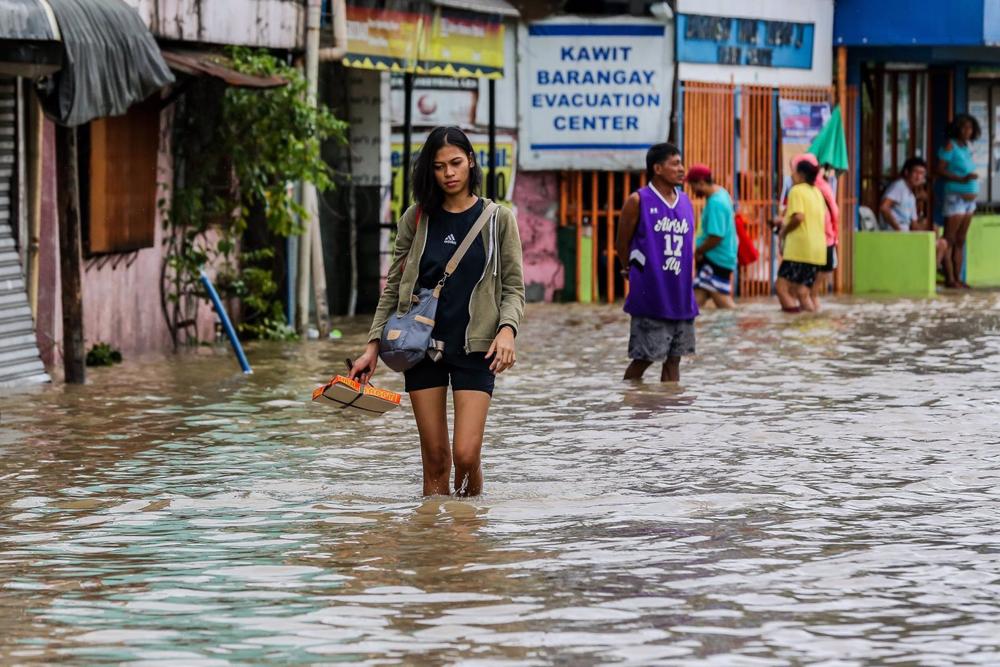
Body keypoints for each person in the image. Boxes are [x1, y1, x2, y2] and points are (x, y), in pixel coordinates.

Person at [348, 126, 525, 497]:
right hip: (420, 347)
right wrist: (372, 346)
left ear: (471, 162)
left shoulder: (499, 219)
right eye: (439, 166)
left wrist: (507, 329)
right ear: (429, 170)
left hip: (476, 348)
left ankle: (469, 527)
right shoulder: (417, 218)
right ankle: (434, 546)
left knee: (464, 454)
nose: (449, 173)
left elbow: (513, 287)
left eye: (456, 163)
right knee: (435, 458)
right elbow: (393, 287)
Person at [615, 143, 698, 382]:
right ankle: (631, 403)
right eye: (675, 164)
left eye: (681, 163)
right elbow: (622, 243)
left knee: (675, 360)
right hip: (651, 296)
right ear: (658, 168)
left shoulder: (685, 202)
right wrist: (630, 270)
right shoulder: (638, 200)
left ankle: (669, 414)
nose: (682, 169)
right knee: (644, 358)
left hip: (681, 297)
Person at [774, 158, 826, 313]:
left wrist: (783, 232)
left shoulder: (797, 191)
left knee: (781, 287)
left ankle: (792, 323)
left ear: (801, 174)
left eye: (794, 171)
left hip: (800, 250)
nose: (792, 175)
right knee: (802, 292)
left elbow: (799, 217)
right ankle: (810, 321)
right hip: (818, 251)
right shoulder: (817, 192)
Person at [936, 114, 981, 288]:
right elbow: (940, 169)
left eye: (969, 128)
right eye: (963, 127)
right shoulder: (950, 145)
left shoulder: (968, 146)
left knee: (961, 239)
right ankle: (949, 277)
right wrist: (962, 180)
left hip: (970, 200)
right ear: (956, 128)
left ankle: (958, 277)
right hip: (955, 197)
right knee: (950, 238)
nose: (967, 131)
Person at [881, 157, 950, 269]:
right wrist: (898, 229)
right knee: (941, 244)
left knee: (941, 241)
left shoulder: (911, 195)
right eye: (915, 172)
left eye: (922, 174)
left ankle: (930, 271)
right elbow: (884, 207)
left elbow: (913, 225)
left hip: (907, 234)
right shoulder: (899, 186)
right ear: (907, 172)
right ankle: (930, 272)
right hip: (894, 234)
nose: (918, 177)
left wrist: (929, 229)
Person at [687, 164, 737, 309]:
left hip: (716, 258)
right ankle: (684, 328)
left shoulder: (716, 202)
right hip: (717, 257)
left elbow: (716, 236)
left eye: (693, 186)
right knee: (696, 299)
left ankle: (736, 328)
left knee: (723, 301)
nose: (692, 190)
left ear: (701, 182)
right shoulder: (721, 193)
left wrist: (699, 251)